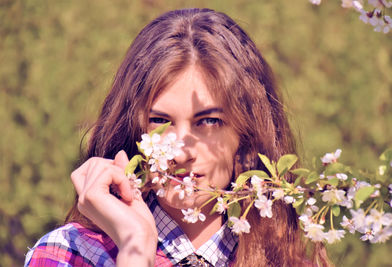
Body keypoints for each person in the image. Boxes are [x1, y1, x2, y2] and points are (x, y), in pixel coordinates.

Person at [24, 8, 331, 267]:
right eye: (159, 121)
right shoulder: (68, 253)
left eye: (209, 121)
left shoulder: (288, 260)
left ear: (247, 134)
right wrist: (134, 248)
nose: (181, 152)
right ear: (135, 130)